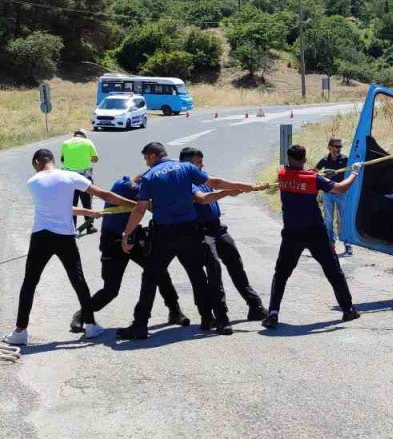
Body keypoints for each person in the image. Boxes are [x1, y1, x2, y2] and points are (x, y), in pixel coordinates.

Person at [117, 142, 257, 340]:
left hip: (164, 234)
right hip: (190, 231)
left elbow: (140, 208)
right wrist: (239, 186)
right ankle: (209, 318)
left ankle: (140, 325)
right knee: (198, 274)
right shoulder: (186, 168)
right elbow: (213, 183)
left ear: (153, 156)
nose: (146, 163)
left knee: (150, 278)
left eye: (146, 159)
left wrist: (127, 234)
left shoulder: (149, 177)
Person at [3, 149, 135, 346]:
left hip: (41, 236)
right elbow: (104, 194)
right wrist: (134, 205)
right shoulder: (70, 176)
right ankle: (90, 325)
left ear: (37, 162)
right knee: (78, 280)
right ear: (52, 160)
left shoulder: (33, 182)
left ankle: (20, 331)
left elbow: (55, 206)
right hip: (65, 237)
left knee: (29, 282)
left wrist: (86, 211)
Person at [262, 145, 362, 330]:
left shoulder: (282, 174)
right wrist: (354, 173)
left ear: (288, 157)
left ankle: (272, 313)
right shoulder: (313, 179)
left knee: (281, 274)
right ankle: (348, 310)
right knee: (333, 270)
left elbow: (300, 176)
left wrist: (323, 176)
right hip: (315, 232)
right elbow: (340, 189)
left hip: (292, 232)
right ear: (305, 158)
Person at [75, 174, 191, 332]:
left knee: (160, 271)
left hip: (133, 239)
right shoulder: (123, 184)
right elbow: (148, 203)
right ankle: (82, 315)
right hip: (113, 242)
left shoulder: (140, 188)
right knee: (110, 290)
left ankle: (175, 311)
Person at [179, 147, 268, 321]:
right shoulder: (185, 182)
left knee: (236, 264)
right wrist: (227, 193)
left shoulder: (203, 176)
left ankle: (254, 305)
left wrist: (239, 188)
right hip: (201, 232)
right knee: (214, 271)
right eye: (198, 162)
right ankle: (218, 314)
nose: (202, 165)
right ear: (187, 164)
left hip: (217, 228)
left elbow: (219, 184)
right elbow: (203, 199)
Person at [314, 138, 352, 256]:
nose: (338, 149)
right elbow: (314, 173)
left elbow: (352, 172)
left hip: (341, 193)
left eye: (340, 146)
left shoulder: (346, 159)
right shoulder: (324, 160)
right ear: (329, 147)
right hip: (328, 194)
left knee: (343, 219)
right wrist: (323, 175)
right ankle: (330, 244)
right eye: (336, 146)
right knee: (328, 220)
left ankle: (348, 245)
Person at [61, 130, 99, 234]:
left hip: (68, 179)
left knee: (72, 204)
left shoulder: (65, 143)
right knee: (87, 202)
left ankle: (72, 228)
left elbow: (63, 159)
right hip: (84, 178)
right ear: (84, 136)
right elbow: (95, 159)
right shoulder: (88, 142)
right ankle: (89, 226)